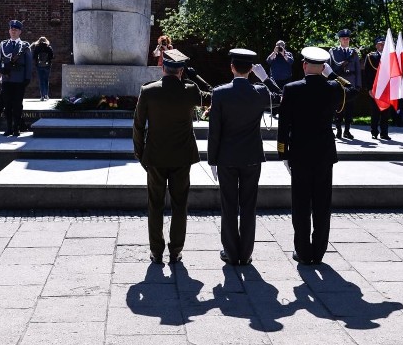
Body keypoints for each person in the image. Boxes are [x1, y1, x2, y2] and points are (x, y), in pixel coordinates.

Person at [277, 46, 357, 266]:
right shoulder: (332, 87)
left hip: (300, 153)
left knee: (301, 204)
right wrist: (331, 74)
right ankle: (319, 251)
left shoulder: (291, 89)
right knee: (322, 204)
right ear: (323, 67)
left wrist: (283, 152)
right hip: (323, 153)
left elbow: (283, 125)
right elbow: (352, 90)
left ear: (304, 65)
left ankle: (303, 252)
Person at [133, 48, 209, 265]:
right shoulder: (190, 90)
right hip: (182, 157)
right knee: (179, 204)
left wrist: (140, 152)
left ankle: (156, 251)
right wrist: (196, 78)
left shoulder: (148, 91)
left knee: (155, 204)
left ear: (162, 67)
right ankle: (175, 251)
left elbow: (138, 125)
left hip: (155, 156)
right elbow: (212, 95)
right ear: (182, 71)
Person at [208, 49, 282, 266]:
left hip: (227, 158)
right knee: (248, 206)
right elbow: (282, 97)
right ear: (251, 70)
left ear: (232, 67)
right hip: (251, 157)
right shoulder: (260, 92)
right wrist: (266, 79)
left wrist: (212, 160)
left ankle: (231, 253)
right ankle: (246, 253)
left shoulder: (220, 93)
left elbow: (215, 132)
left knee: (229, 206)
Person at [0, 20, 33, 137]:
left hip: (19, 80)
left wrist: (27, 78)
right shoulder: (3, 45)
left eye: (16, 29)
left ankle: (16, 128)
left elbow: (29, 64)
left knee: (17, 105)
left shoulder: (25, 46)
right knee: (7, 105)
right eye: (11, 29)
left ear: (20, 31)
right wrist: (0, 69)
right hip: (6, 80)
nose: (13, 31)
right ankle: (8, 128)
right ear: (9, 31)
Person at [329, 29, 361, 139]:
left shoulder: (353, 52)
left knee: (349, 108)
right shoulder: (333, 51)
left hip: (351, 83)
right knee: (338, 108)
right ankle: (338, 130)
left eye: (347, 38)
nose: (346, 40)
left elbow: (357, 69)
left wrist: (358, 85)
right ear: (339, 40)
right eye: (343, 38)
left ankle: (347, 130)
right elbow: (331, 68)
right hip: (338, 82)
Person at [362, 35, 391, 140]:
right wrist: (369, 88)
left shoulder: (390, 57)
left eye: (383, 44)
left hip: (386, 88)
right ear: (376, 45)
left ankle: (384, 133)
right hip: (375, 88)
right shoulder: (371, 57)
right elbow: (367, 74)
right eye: (380, 44)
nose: (382, 46)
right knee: (375, 112)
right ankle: (374, 132)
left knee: (385, 112)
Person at [32, 36, 54, 101]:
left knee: (41, 81)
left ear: (39, 41)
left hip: (39, 66)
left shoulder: (37, 48)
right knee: (46, 80)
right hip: (47, 66)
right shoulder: (48, 47)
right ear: (46, 40)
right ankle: (46, 95)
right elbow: (52, 56)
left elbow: (34, 57)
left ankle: (42, 96)